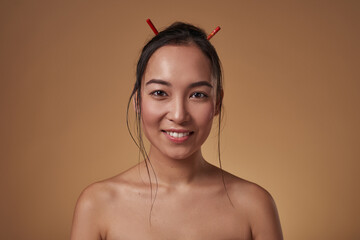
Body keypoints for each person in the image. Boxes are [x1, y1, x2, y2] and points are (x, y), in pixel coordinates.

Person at [70, 22, 283, 240]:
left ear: (217, 103)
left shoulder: (255, 206)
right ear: (137, 101)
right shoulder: (97, 205)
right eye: (160, 92)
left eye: (198, 95)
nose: (179, 115)